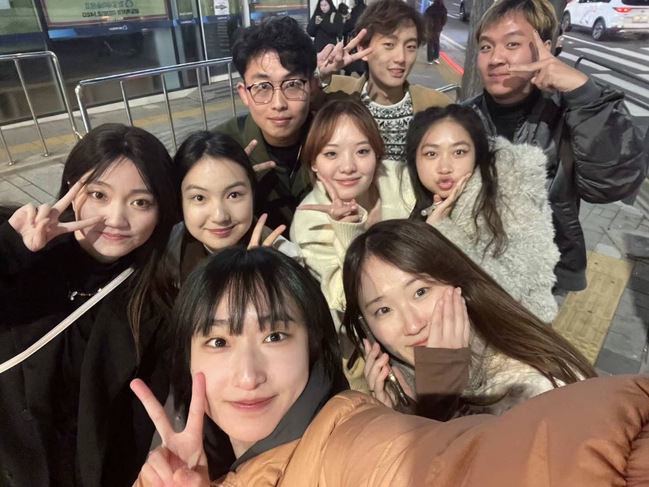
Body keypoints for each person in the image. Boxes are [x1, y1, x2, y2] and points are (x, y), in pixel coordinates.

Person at [130, 247, 649, 487]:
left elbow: (454, 463)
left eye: (275, 335)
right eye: (218, 341)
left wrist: (439, 387)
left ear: (316, 347)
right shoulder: (183, 470)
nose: (248, 375)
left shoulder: (353, 439)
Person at [0, 123, 179, 487]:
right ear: (70, 188)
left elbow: (129, 438)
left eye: (141, 202)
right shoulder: (17, 255)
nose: (116, 218)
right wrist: (10, 250)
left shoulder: (153, 308)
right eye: (98, 194)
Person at [464, 0, 647, 292]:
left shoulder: (572, 114)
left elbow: (612, 185)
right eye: (486, 47)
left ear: (544, 48)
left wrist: (584, 96)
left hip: (543, 272)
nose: (495, 58)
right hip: (471, 265)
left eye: (512, 44)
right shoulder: (461, 118)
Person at [341, 219, 596, 421]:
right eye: (384, 310)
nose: (413, 325)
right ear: (366, 327)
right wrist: (390, 423)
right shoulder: (399, 391)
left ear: (458, 282)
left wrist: (433, 410)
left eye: (421, 292)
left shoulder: (532, 391)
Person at [406, 104, 559, 323]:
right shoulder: (411, 199)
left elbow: (515, 291)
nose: (445, 167)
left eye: (459, 152)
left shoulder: (510, 195)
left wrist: (442, 233)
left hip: (508, 333)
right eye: (431, 153)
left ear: (477, 154)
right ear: (415, 160)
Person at [290, 97, 414, 325]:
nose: (348, 167)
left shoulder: (399, 179)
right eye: (331, 154)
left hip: (424, 314)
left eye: (362, 151)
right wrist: (348, 233)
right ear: (314, 162)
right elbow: (345, 300)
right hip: (364, 333)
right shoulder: (309, 221)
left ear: (377, 154)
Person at [215, 17, 317, 231]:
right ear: (244, 93)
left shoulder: (334, 137)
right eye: (262, 87)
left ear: (313, 87)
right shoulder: (220, 147)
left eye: (292, 84)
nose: (278, 104)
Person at [319, 0, 452, 163]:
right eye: (389, 44)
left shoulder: (437, 106)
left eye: (410, 47)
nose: (401, 58)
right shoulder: (334, 95)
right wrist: (319, 74)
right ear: (362, 49)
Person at [165, 131, 301, 285]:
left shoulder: (285, 260)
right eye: (199, 198)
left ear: (252, 194)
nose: (220, 216)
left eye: (234, 195)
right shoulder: (166, 253)